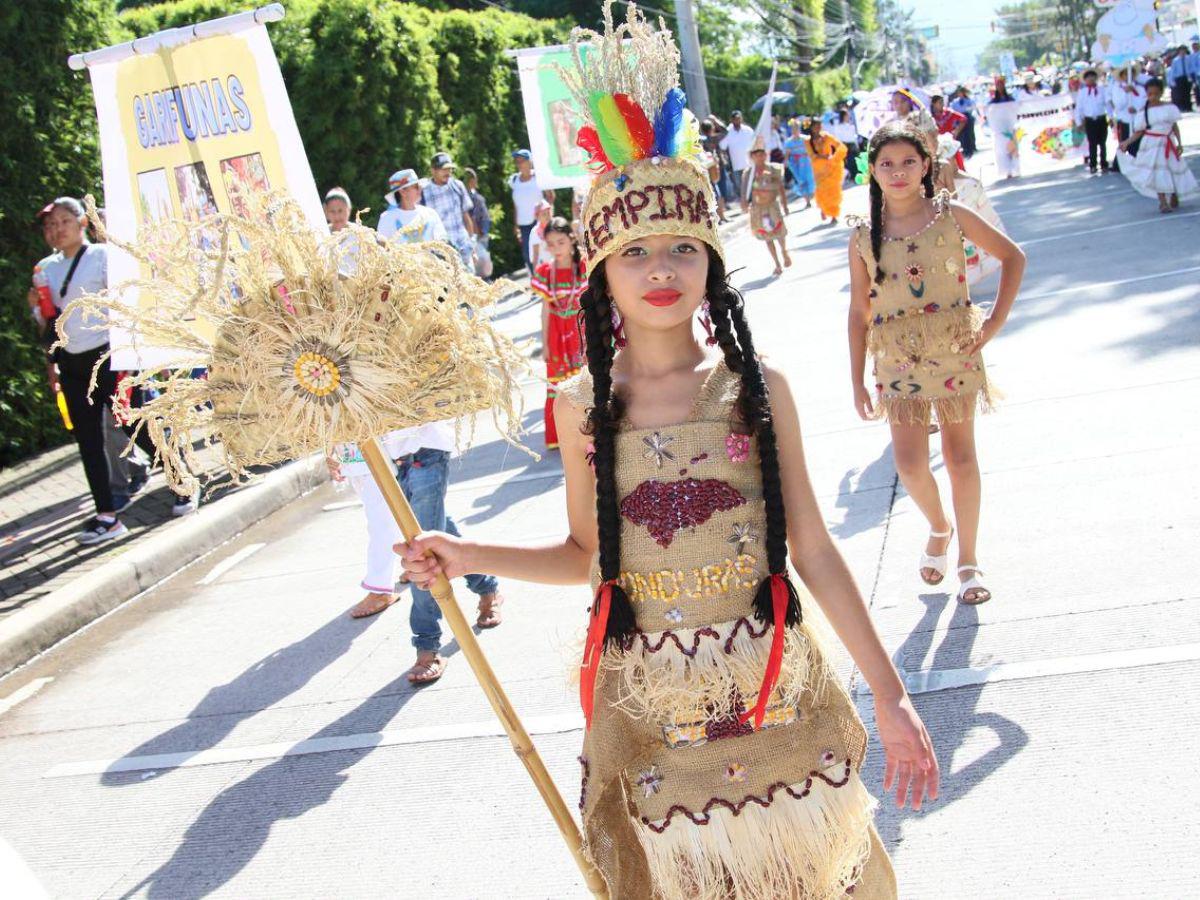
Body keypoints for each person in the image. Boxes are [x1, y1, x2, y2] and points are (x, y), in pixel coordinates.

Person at [398, 9, 936, 895]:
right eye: (636, 251)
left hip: (773, 686)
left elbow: (813, 548)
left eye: (684, 248)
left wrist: (890, 690)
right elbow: (588, 557)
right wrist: (466, 555)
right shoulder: (581, 409)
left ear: (712, 264)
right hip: (651, 709)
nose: (662, 268)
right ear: (601, 271)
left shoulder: (757, 387)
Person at [847, 121, 1025, 606]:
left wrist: (992, 325)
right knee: (908, 464)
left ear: (926, 165)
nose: (898, 171)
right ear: (873, 172)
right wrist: (857, 377)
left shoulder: (952, 215)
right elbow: (859, 311)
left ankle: (968, 561)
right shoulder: (864, 236)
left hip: (954, 352)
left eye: (908, 161)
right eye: (886, 164)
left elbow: (1013, 257)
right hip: (895, 361)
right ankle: (939, 527)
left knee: (961, 457)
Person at [32, 198, 198, 544]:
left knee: (135, 424)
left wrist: (135, 353)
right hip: (72, 363)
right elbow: (48, 326)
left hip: (109, 357)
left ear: (82, 223)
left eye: (63, 221)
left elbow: (127, 303)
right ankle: (107, 516)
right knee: (89, 441)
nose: (56, 230)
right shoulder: (44, 269)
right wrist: (39, 315)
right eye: (50, 225)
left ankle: (182, 481)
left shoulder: (103, 257)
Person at [530, 217, 586, 450]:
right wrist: (545, 344)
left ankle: (589, 428)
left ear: (572, 240)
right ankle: (559, 435)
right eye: (551, 244)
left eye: (560, 242)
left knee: (585, 380)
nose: (556, 249)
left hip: (581, 330)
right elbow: (544, 310)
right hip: (557, 333)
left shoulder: (584, 266)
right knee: (558, 385)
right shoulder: (545, 272)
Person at [1118, 77, 1198, 212]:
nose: (1153, 97)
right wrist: (1126, 142)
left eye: (1156, 94)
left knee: (1171, 169)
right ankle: (1162, 202)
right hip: (1151, 145)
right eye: (1150, 94)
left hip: (1167, 143)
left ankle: (1173, 193)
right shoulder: (1144, 112)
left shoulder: (1169, 108)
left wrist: (1179, 143)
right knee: (1157, 172)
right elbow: (1139, 132)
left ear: (1161, 93)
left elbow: (1174, 126)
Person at [743, 137, 792, 275]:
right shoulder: (748, 173)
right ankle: (776, 263)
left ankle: (784, 251)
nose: (760, 157)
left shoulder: (774, 169)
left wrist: (785, 204)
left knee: (779, 233)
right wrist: (744, 203)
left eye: (762, 154)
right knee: (767, 237)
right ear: (752, 157)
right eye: (756, 154)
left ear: (766, 154)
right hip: (758, 209)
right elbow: (744, 191)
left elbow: (781, 187)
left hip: (772, 207)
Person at [422, 152, 475, 268]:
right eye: (443, 169)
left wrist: (472, 242)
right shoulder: (424, 192)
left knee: (473, 282)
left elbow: (466, 215)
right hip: (441, 251)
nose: (448, 172)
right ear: (433, 170)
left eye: (450, 169)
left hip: (464, 245)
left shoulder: (457, 186)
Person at [509, 148, 554, 272]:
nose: (519, 164)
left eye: (522, 160)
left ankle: (552, 277)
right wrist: (516, 225)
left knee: (547, 250)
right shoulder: (514, 181)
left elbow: (550, 196)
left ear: (530, 162)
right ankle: (538, 280)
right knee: (528, 254)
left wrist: (549, 216)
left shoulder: (538, 177)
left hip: (541, 221)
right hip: (523, 224)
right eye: (517, 161)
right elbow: (516, 205)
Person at [378, 169, 445, 242]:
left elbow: (442, 240)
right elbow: (381, 248)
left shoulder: (430, 214)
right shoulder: (387, 218)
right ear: (403, 192)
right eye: (416, 186)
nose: (420, 189)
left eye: (419, 186)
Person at [809, 118, 847, 223]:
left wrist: (836, 155)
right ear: (811, 128)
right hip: (818, 169)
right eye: (816, 126)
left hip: (831, 167)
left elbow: (839, 145)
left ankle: (834, 215)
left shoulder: (827, 136)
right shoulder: (808, 141)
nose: (818, 128)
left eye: (819, 126)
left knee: (833, 190)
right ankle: (824, 209)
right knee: (822, 190)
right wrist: (824, 157)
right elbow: (812, 155)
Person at [1109, 67, 1146, 174]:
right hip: (1124, 119)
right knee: (1124, 142)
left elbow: (1144, 101)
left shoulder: (1140, 87)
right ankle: (1119, 164)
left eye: (1130, 74)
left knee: (1138, 142)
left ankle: (1137, 161)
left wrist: (1137, 109)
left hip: (1137, 120)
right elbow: (1118, 105)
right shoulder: (1118, 88)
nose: (1128, 77)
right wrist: (1126, 93)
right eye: (1125, 74)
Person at [1074, 69, 1111, 174]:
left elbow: (1107, 104)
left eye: (1092, 76)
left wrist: (1111, 117)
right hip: (1090, 120)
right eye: (1088, 77)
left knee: (1103, 143)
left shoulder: (1102, 89)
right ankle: (1093, 165)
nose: (1090, 79)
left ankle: (1104, 164)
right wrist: (1079, 122)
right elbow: (1079, 108)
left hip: (1101, 118)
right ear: (1085, 80)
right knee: (1092, 143)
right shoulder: (1082, 92)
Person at [718, 109, 755, 212]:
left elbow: (755, 142)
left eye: (739, 119)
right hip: (736, 164)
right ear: (732, 120)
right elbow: (722, 146)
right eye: (735, 119)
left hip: (749, 162)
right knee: (739, 186)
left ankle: (752, 202)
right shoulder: (728, 132)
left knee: (751, 183)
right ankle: (745, 202)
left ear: (741, 119)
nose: (737, 121)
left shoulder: (748, 130)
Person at [985, 76, 1021, 179]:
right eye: (998, 85)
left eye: (1001, 84)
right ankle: (1007, 171)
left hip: (1010, 126)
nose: (1000, 87)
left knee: (1013, 148)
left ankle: (1014, 168)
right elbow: (988, 112)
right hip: (999, 129)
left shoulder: (1010, 99)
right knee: (1001, 150)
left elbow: (1016, 109)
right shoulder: (992, 102)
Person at [462, 167, 493, 279]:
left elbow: (485, 217)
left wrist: (483, 232)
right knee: (476, 264)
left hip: (479, 234)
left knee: (482, 262)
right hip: (471, 235)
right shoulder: (467, 197)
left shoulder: (477, 198)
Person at [782, 117, 815, 208]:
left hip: (807, 162)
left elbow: (811, 150)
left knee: (810, 179)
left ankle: (812, 195)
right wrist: (785, 162)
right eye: (793, 129)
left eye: (796, 128)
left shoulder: (805, 139)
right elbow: (787, 154)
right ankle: (807, 200)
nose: (795, 130)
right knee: (801, 181)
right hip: (796, 164)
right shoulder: (788, 142)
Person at [831, 107, 861, 182]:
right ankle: (852, 176)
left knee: (854, 161)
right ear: (844, 116)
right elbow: (839, 137)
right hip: (845, 145)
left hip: (851, 145)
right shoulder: (839, 127)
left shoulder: (850, 126)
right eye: (847, 115)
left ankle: (854, 176)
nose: (848, 116)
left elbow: (853, 137)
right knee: (849, 162)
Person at [525, 199, 555, 271]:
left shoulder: (554, 226)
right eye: (544, 214)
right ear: (537, 216)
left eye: (548, 213)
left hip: (556, 263)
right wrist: (535, 272)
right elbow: (535, 253)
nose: (547, 216)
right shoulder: (536, 232)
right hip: (543, 265)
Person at [949, 86, 978, 157]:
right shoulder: (955, 102)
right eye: (959, 93)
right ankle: (965, 148)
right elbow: (952, 110)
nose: (960, 94)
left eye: (961, 92)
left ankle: (971, 147)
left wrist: (967, 109)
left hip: (967, 117)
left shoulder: (968, 100)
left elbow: (972, 107)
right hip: (959, 118)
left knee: (970, 133)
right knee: (962, 134)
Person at [1168, 46, 1193, 112]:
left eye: (1184, 50)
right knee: (1181, 93)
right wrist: (1172, 80)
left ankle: (1188, 107)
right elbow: (1173, 70)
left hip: (1187, 77)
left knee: (1187, 92)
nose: (1183, 52)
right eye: (1181, 50)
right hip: (1179, 78)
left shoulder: (1188, 58)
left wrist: (1190, 76)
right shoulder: (1175, 60)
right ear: (1179, 51)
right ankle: (1182, 107)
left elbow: (1190, 67)